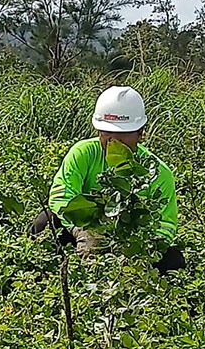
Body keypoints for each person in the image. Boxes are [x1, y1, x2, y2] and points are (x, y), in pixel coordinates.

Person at [29, 86, 185, 272]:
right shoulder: (83, 153)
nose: (113, 139)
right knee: (44, 223)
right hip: (85, 231)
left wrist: (136, 251)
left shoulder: (158, 172)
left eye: (123, 133)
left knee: (173, 261)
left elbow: (166, 225)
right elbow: (61, 196)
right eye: (106, 132)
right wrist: (81, 231)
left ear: (140, 133)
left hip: (132, 243)